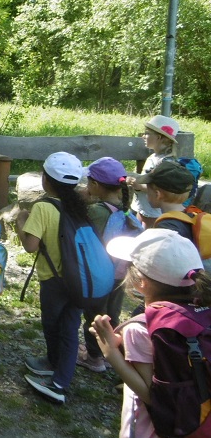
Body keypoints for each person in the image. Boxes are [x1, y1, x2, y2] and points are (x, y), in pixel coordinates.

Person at [93, 229, 210, 438]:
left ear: (141, 282)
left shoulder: (140, 327)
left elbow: (150, 394)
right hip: (194, 430)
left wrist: (110, 352)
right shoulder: (199, 312)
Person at [15, 151, 86, 404]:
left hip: (54, 279)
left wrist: (21, 222)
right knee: (70, 328)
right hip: (80, 279)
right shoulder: (79, 205)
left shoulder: (43, 207)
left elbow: (30, 246)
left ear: (45, 179)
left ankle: (54, 368)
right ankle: (61, 375)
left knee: (52, 325)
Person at [77, 156, 133, 373]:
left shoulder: (97, 212)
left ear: (95, 185)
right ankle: (110, 354)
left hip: (100, 274)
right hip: (121, 273)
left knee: (95, 316)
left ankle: (94, 357)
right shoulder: (125, 209)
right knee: (112, 313)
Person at [128, 115, 180, 228]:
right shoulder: (153, 157)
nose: (143, 136)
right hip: (142, 207)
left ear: (159, 137)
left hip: (152, 213)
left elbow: (162, 190)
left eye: (147, 133)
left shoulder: (166, 162)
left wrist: (139, 186)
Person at [140, 161, 196, 240]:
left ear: (157, 194)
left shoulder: (165, 229)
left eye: (148, 192)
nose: (147, 195)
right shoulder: (192, 214)